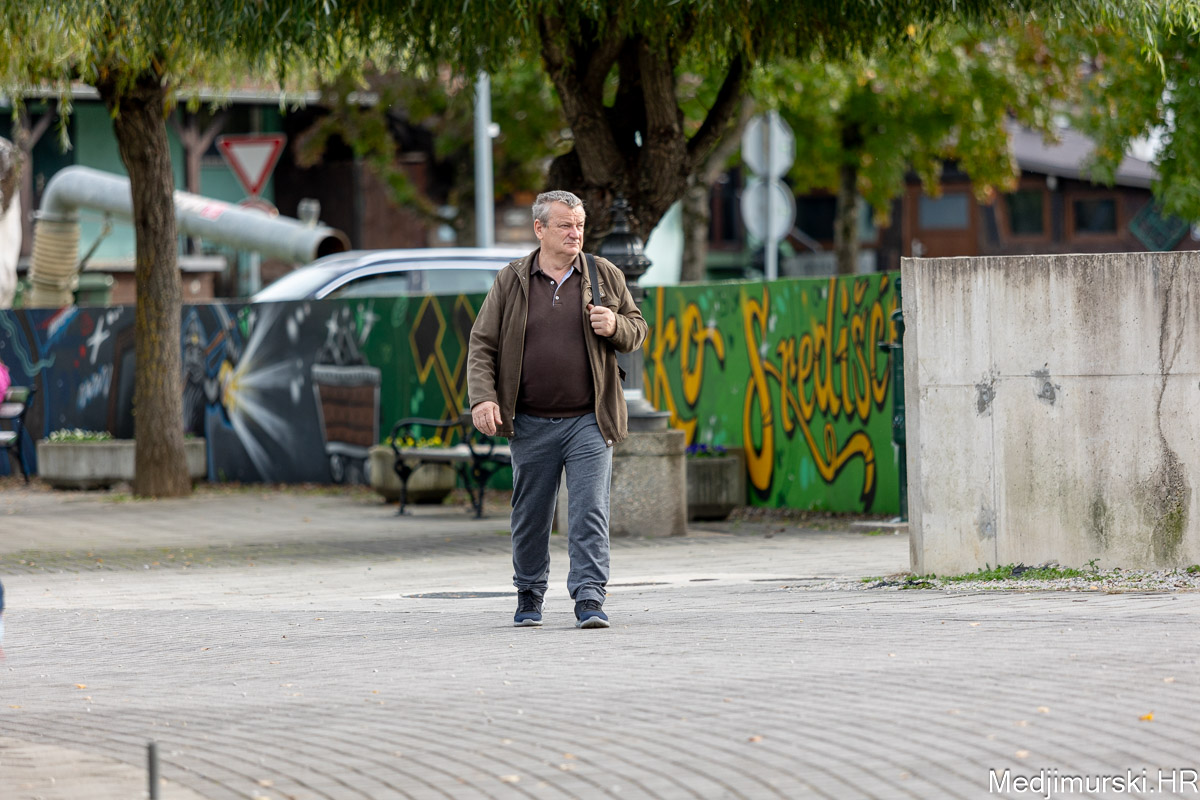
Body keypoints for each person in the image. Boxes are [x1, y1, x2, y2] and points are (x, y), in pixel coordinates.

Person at [468, 190, 647, 629]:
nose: (575, 233)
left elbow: (638, 328)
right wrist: (484, 397)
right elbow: (483, 344)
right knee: (531, 516)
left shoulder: (603, 274)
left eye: (580, 225)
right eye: (565, 225)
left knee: (589, 512)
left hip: (590, 418)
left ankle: (589, 597)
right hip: (530, 421)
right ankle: (529, 594)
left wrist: (615, 325)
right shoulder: (512, 280)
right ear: (540, 228)